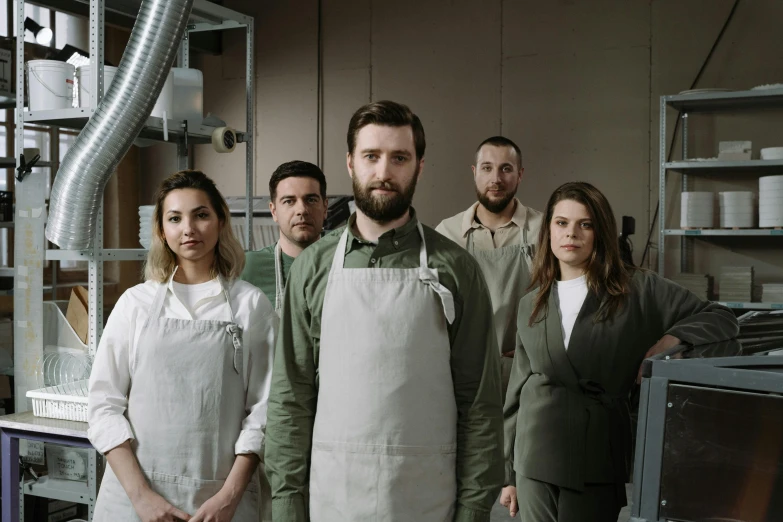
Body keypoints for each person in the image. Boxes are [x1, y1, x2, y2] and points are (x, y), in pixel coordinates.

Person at [264, 100, 504, 522]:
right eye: (371, 156)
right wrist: (286, 504)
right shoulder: (313, 267)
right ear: (351, 164)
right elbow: (291, 399)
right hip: (332, 495)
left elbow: (479, 403)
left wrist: (472, 510)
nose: (384, 172)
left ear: (419, 166)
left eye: (399, 158)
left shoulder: (455, 268)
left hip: (428, 496)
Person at [499, 181, 739, 521]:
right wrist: (508, 476)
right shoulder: (531, 304)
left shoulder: (637, 289)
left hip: (597, 455)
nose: (572, 234)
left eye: (586, 224)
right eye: (561, 223)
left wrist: (669, 342)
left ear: (601, 231)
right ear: (548, 231)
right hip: (534, 453)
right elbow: (517, 393)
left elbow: (720, 318)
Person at [87, 170, 277, 521]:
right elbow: (103, 407)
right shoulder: (135, 304)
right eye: (175, 218)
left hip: (220, 502)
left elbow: (264, 412)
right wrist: (142, 498)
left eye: (201, 215)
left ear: (220, 221)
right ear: (161, 230)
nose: (188, 228)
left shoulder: (251, 305)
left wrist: (229, 497)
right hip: (133, 500)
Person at [436, 136, 543, 393]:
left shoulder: (546, 230)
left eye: (506, 168)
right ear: (475, 173)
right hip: (462, 373)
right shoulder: (446, 233)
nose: (496, 178)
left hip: (528, 370)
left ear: (520, 175)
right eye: (487, 168)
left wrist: (536, 348)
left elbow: (566, 300)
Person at [242, 161, 328, 313]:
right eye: (289, 201)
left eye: (311, 200)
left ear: (325, 208)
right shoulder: (249, 268)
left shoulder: (344, 265)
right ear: (274, 211)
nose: (301, 210)